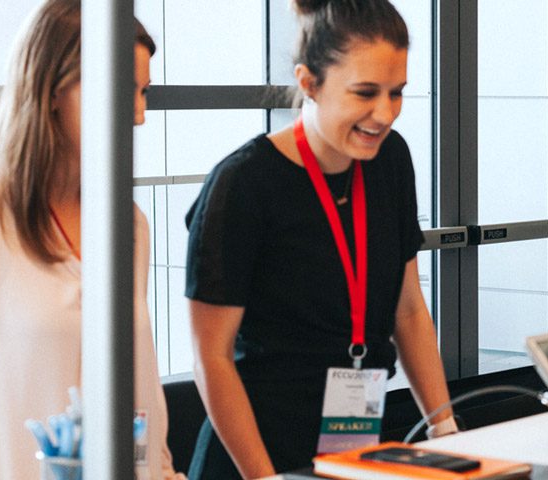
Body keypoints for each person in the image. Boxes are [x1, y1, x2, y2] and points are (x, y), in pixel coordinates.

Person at [183, 1, 454, 478]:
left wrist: (445, 429)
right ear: (309, 83)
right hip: (257, 450)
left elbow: (408, 310)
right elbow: (213, 358)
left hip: (355, 443)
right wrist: (264, 476)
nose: (384, 113)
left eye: (397, 93)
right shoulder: (244, 184)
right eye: (365, 93)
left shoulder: (390, 160)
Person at [0, 1, 181, 478]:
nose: (140, 115)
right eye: (124, 88)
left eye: (144, 92)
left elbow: (142, 394)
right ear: (51, 89)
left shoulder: (130, 224)